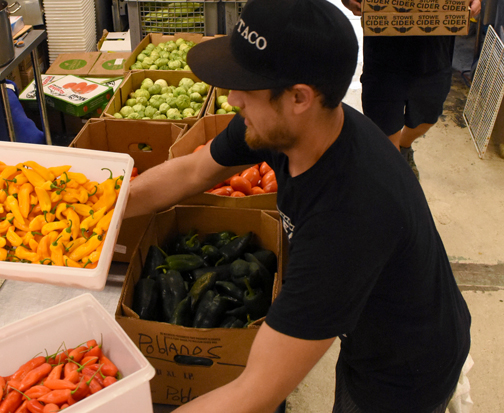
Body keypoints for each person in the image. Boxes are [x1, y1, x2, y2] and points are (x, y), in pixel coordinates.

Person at [125, 0, 472, 411]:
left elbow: (255, 393)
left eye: (246, 86)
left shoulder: (349, 216)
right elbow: (191, 172)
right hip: (361, 322)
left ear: (299, 98)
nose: (232, 98)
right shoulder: (285, 128)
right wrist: (104, 213)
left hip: (405, 367)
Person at [341, 0, 481, 179]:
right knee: (384, 129)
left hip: (433, 56)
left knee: (427, 118)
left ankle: (403, 146)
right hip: (384, 56)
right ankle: (395, 168)